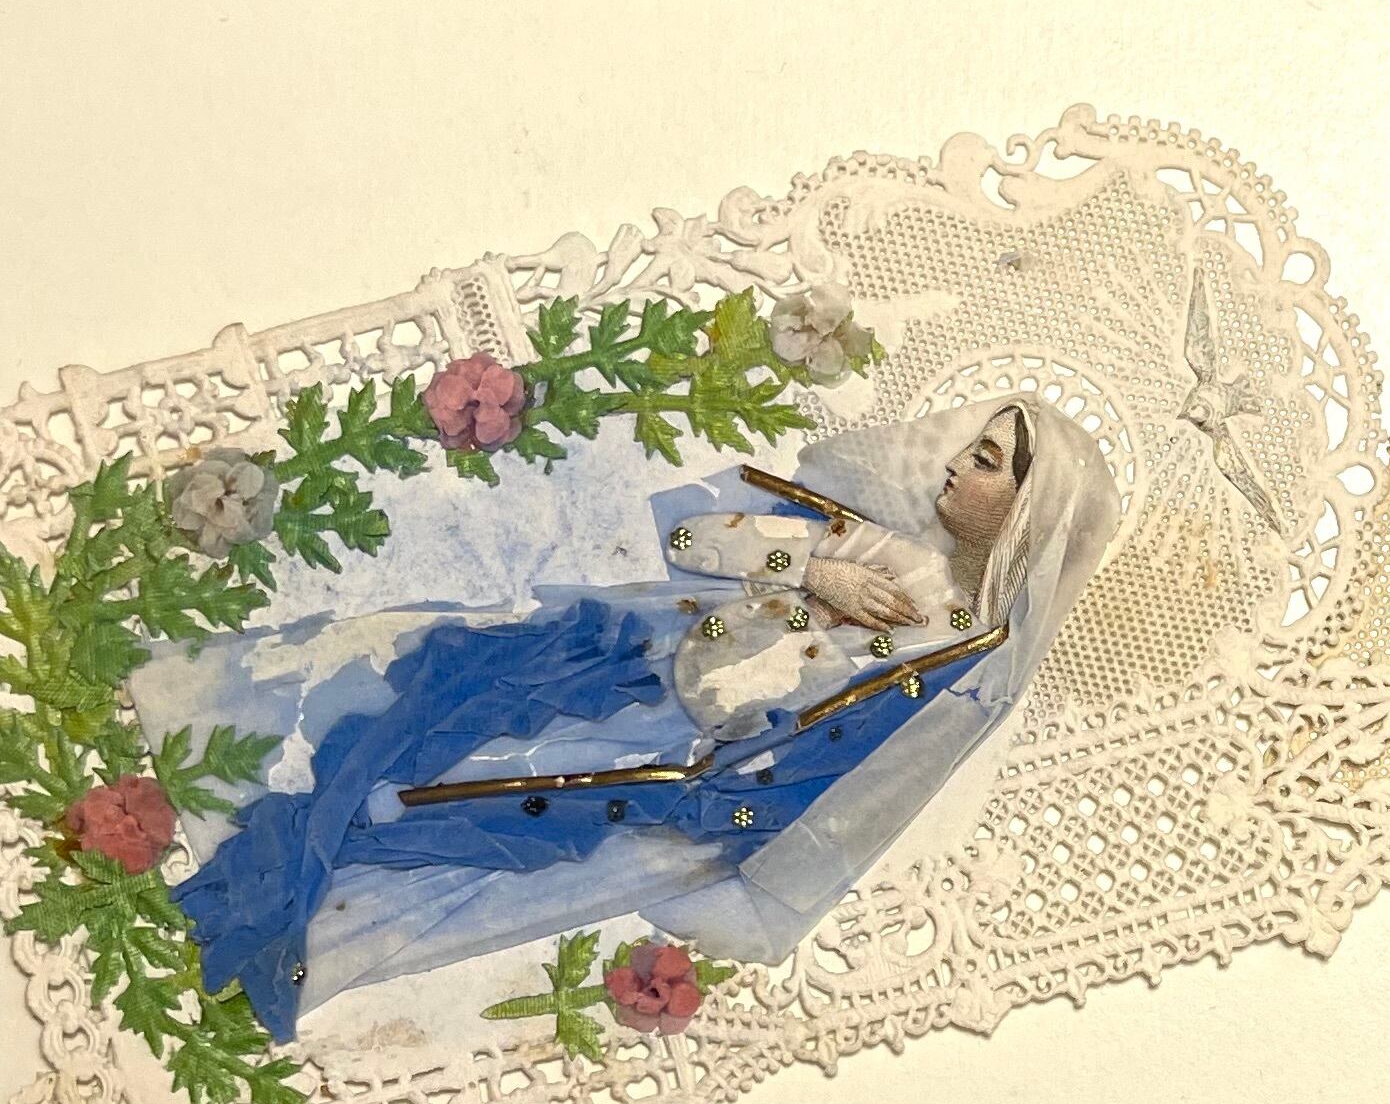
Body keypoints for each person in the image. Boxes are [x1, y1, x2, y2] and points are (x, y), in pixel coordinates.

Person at [137, 395, 1122, 1036]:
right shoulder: (882, 551)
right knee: (429, 711)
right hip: (627, 663)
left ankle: (284, 901)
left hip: (686, 773)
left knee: (470, 823)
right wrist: (813, 570)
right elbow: (696, 539)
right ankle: (226, 775)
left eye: (985, 461)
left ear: (1028, 512)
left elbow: (860, 794)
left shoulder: (963, 668)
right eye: (968, 446)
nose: (954, 466)